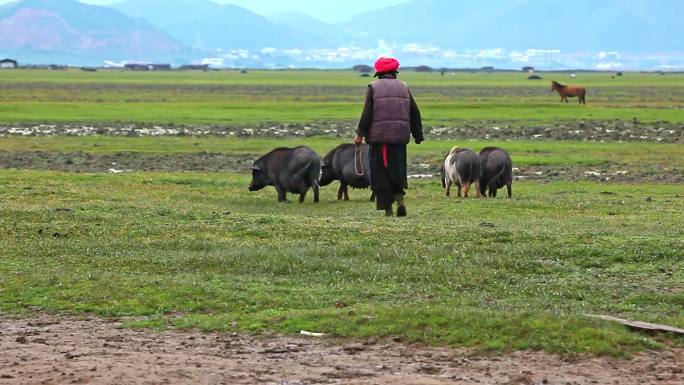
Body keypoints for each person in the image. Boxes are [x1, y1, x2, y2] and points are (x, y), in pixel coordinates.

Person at [355, 57, 423, 217]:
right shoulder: (404, 87)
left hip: (379, 140)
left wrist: (359, 134)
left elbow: (367, 114)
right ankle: (400, 202)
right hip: (399, 139)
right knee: (397, 172)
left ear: (378, 73)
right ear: (394, 73)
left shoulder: (373, 87)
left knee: (380, 174)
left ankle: (389, 211)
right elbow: (415, 112)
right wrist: (417, 135)